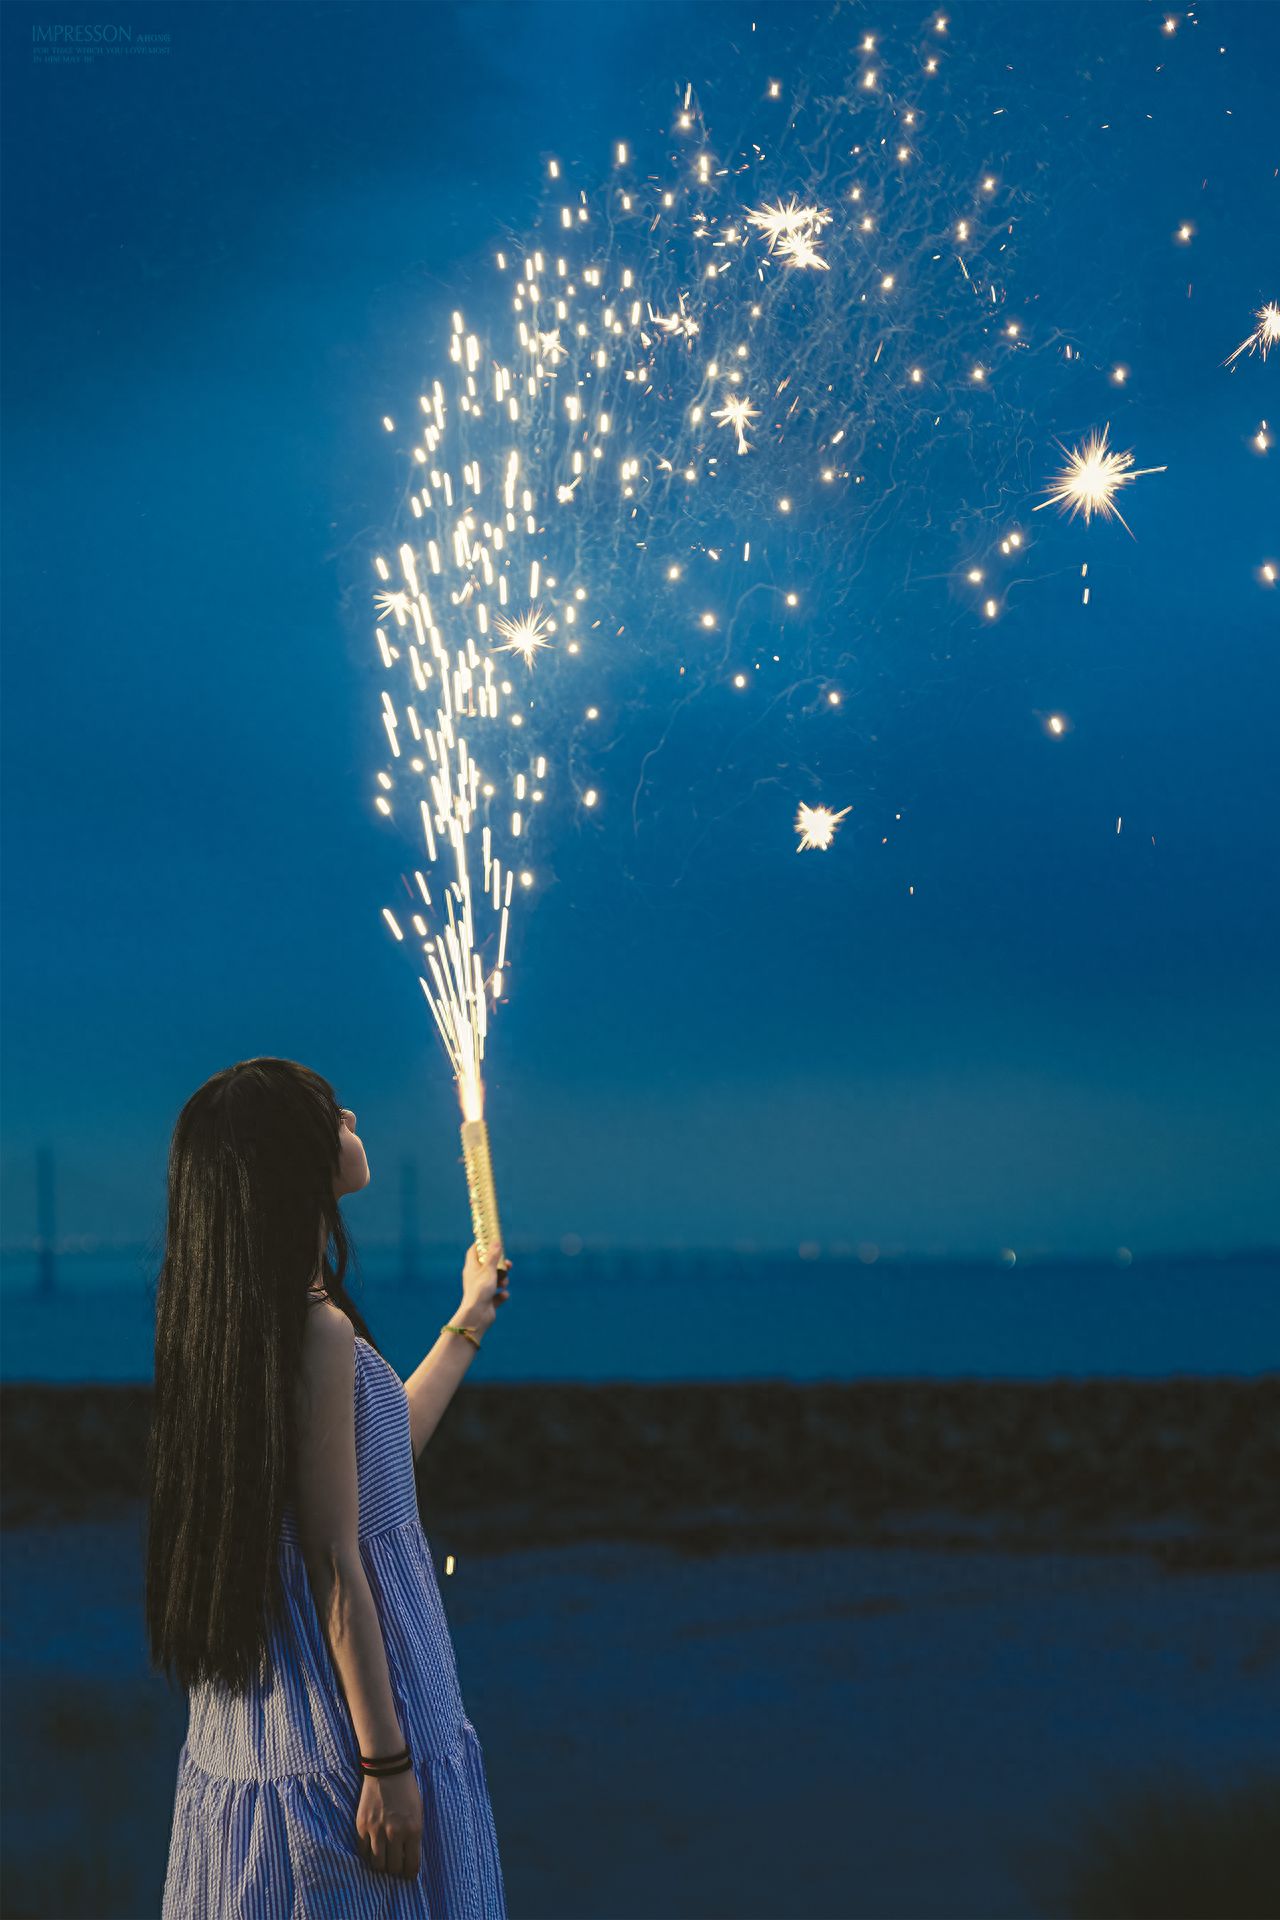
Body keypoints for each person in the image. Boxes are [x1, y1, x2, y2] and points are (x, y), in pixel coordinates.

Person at [146, 1056, 510, 1916]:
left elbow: (373, 1474)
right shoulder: (315, 1329)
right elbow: (336, 1559)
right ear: (289, 1158)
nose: (349, 1113)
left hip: (265, 1719)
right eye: (328, 1112)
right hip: (346, 1729)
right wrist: (385, 1766)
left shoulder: (248, 1316)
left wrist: (467, 1322)